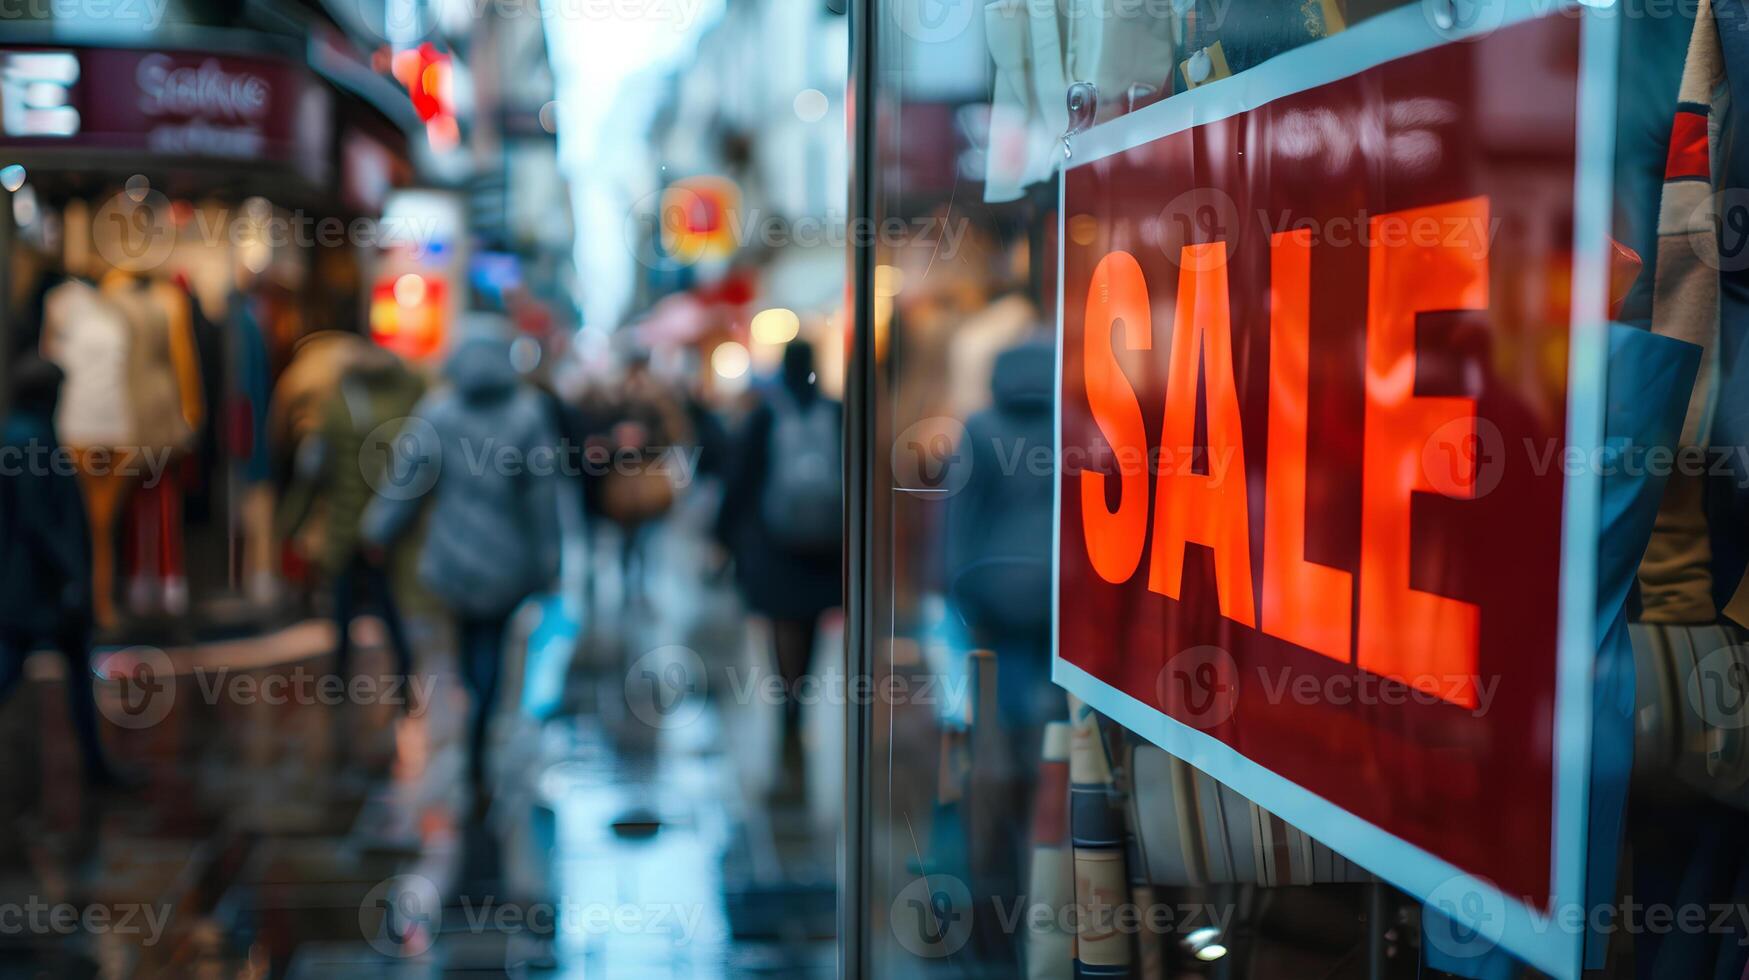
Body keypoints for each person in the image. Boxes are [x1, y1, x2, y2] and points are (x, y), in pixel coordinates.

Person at [362, 328, 560, 796]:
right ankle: (482, 716)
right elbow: (543, 497)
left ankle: (474, 704)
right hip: (509, 555)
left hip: (452, 553)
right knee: (493, 639)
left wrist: (377, 529)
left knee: (468, 639)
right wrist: (550, 557)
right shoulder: (528, 413)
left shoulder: (439, 412)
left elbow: (406, 478)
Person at [717, 342, 842, 782]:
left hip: (774, 546)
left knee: (782, 626)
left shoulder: (764, 415)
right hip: (827, 546)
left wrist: (724, 536)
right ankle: (801, 697)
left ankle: (788, 703)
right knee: (810, 625)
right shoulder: (837, 411)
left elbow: (740, 481)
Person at [0, 354, 122, 786]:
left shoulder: (22, 433)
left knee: (60, 666)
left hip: (35, 584)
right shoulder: (30, 439)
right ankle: (95, 766)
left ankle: (96, 765)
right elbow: (39, 519)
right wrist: (71, 570)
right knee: (14, 665)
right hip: (38, 586)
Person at [279, 343, 425, 699]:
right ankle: (404, 677)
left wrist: (290, 523)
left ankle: (340, 681)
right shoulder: (408, 399)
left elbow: (315, 471)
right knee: (388, 605)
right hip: (387, 529)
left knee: (344, 608)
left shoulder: (338, 404)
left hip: (345, 525)